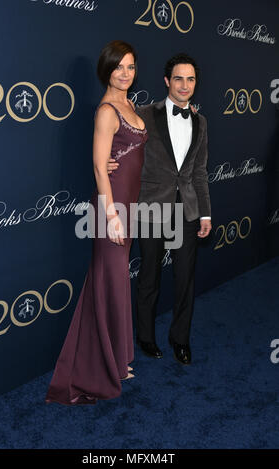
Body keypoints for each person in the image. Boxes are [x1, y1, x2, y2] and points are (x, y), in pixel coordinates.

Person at [45, 40, 147, 405]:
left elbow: (125, 157)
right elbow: (98, 168)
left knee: (109, 281)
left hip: (130, 205)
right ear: (106, 69)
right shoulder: (106, 110)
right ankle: (104, 364)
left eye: (131, 67)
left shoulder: (131, 104)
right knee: (111, 280)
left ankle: (117, 359)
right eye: (119, 67)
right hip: (111, 208)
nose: (125, 73)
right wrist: (111, 216)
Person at [108, 53, 211, 365]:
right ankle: (145, 336)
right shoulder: (144, 115)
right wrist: (109, 162)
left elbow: (200, 171)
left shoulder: (201, 122)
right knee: (149, 277)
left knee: (184, 279)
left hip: (187, 211)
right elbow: (119, 146)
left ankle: (180, 339)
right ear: (167, 81)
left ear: (195, 83)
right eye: (178, 78)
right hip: (152, 206)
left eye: (190, 79)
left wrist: (205, 212)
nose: (184, 85)